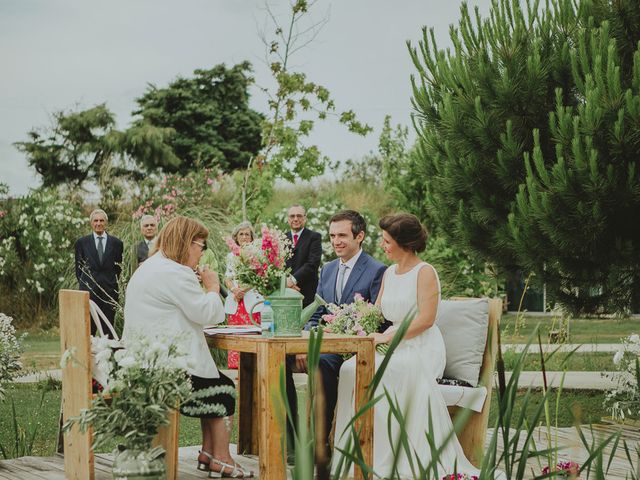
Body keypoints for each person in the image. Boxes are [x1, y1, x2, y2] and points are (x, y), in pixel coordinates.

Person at [332, 213, 480, 479]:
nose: (384, 246)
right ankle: (358, 454)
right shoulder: (389, 273)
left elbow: (426, 319)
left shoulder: (425, 272)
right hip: (391, 341)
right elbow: (376, 312)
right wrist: (350, 324)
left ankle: (392, 459)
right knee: (350, 368)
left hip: (420, 345)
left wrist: (389, 338)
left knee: (384, 372)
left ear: (405, 242)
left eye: (388, 241)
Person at [123, 216, 253, 478]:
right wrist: (213, 287)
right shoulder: (173, 272)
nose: (202, 253)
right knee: (223, 388)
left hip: (144, 359)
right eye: (201, 246)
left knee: (217, 381)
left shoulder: (152, 266)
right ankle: (221, 458)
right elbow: (208, 314)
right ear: (186, 243)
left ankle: (208, 453)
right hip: (163, 367)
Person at [286, 210, 386, 456]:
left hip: (353, 350)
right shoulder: (328, 269)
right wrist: (305, 343)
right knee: (280, 360)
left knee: (321, 363)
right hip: (322, 343)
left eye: (342, 235)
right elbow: (319, 313)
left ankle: (319, 443)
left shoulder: (377, 270)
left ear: (359, 236)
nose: (336, 241)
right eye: (332, 235)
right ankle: (292, 439)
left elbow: (378, 321)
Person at [74, 208, 123, 335]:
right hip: (89, 294)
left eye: (101, 220)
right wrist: (88, 285)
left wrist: (110, 284)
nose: (98, 223)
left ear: (106, 222)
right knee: (88, 332)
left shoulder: (117, 243)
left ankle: (109, 355)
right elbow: (78, 270)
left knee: (108, 332)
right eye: (95, 220)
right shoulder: (82, 243)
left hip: (109, 294)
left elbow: (117, 269)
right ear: (91, 223)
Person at [224, 221, 263, 369]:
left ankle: (253, 367)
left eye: (247, 234)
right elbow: (227, 277)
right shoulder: (230, 256)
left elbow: (257, 277)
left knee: (251, 337)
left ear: (252, 237)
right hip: (235, 301)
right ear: (236, 237)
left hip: (251, 301)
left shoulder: (257, 254)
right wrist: (234, 290)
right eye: (241, 234)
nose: (244, 237)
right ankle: (236, 370)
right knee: (236, 337)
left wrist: (242, 291)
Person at [285, 204, 322, 307]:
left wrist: (292, 280)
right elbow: (278, 265)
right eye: (292, 216)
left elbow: (312, 264)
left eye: (299, 216)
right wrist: (286, 284)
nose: (296, 219)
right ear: (288, 219)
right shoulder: (282, 238)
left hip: (307, 294)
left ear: (305, 218)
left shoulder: (314, 237)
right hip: (286, 294)